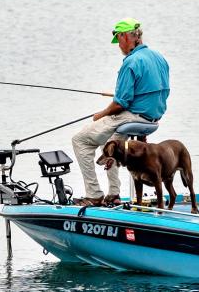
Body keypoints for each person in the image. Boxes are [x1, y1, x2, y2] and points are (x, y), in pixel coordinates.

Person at [71, 18, 170, 207]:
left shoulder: (131, 62)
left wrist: (101, 114)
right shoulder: (159, 57)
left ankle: (93, 195)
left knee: (80, 140)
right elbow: (158, 89)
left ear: (125, 36)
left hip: (132, 115)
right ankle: (114, 194)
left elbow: (120, 104)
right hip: (152, 118)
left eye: (119, 40)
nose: (119, 46)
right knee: (109, 143)